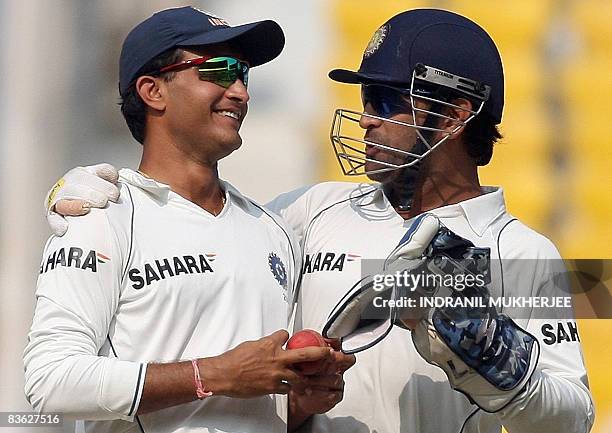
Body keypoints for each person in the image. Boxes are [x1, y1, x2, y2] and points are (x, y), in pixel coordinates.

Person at [44, 8, 594, 433]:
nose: (366, 120)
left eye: (385, 100)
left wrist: (502, 370)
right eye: (364, 98)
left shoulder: (526, 254)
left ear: (455, 114)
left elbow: (574, 417)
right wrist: (82, 187)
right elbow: (201, 226)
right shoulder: (311, 210)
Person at [24, 7, 355, 433]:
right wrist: (213, 375)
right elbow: (51, 380)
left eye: (243, 75)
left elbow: (255, 405)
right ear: (152, 90)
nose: (240, 92)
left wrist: (303, 400)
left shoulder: (272, 231)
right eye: (217, 71)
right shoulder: (102, 214)